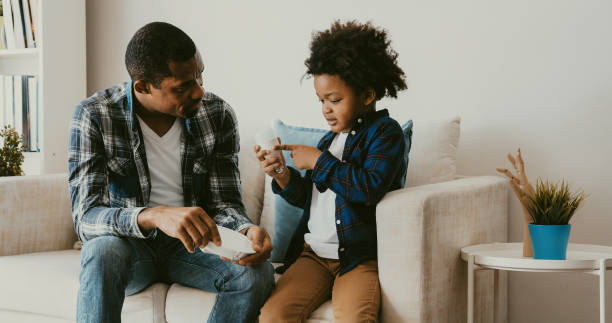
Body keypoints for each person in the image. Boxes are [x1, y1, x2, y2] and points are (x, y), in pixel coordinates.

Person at [68, 22, 274, 323]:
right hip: (129, 246)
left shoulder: (217, 115)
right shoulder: (94, 115)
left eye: (199, 76)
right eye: (182, 87)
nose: (199, 92)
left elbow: (225, 202)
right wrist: (154, 215)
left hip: (193, 246)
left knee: (255, 274)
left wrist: (245, 230)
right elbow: (85, 217)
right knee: (102, 251)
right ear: (143, 87)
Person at [256, 20, 408, 323]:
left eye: (334, 100)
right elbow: (310, 199)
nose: (326, 109)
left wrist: (317, 161)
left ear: (366, 96)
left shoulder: (385, 134)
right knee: (272, 316)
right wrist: (283, 176)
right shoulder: (329, 141)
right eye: (321, 100)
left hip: (357, 257)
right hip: (312, 256)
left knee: (356, 318)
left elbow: (369, 188)